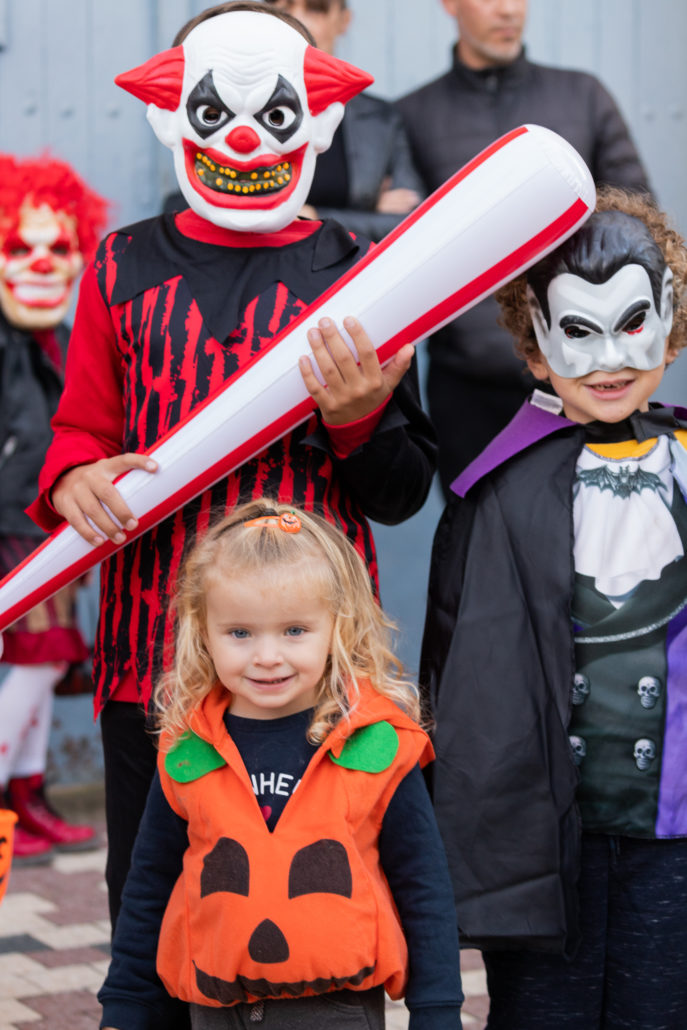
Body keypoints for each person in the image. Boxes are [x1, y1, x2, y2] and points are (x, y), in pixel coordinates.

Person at [27, 2, 435, 928]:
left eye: (273, 110)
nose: (245, 137)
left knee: (321, 900)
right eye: (217, 110)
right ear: (170, 112)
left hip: (313, 669)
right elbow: (80, 430)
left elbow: (402, 490)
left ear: (317, 115)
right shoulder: (119, 266)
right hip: (152, 664)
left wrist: (358, 420)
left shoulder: (364, 273)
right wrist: (73, 477)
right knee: (155, 908)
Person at [420, 187, 687, 1028]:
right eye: (577, 330)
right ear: (535, 348)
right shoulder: (498, 492)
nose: (608, 357)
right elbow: (462, 668)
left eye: (632, 323)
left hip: (674, 829)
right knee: (542, 1014)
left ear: (670, 326)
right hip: (544, 833)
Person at [98, 499, 463, 1030]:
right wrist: (125, 1004)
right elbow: (150, 883)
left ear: (338, 627)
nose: (267, 656)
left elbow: (424, 886)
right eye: (240, 633)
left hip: (334, 1010)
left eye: (294, 630)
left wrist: (437, 1010)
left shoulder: (377, 745)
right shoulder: (187, 749)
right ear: (203, 632)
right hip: (214, 1010)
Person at [397, 0, 652, 494]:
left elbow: (636, 223)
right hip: (467, 387)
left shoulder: (582, 95)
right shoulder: (413, 114)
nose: (508, 10)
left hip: (584, 371)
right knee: (477, 529)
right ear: (450, 5)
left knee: (593, 527)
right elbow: (405, 245)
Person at [0, 153, 108, 862]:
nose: (40, 263)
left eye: (58, 246)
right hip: (10, 521)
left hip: (45, 523)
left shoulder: (66, 341)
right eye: (19, 246)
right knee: (39, 658)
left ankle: (24, 798)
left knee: (44, 662)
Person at [261, 0, 423, 241]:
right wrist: (366, 213)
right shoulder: (232, 108)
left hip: (353, 265)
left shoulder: (379, 120)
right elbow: (211, 205)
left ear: (343, 21)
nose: (296, 20)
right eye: (281, 6)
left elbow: (411, 221)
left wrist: (315, 217)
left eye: (316, 8)